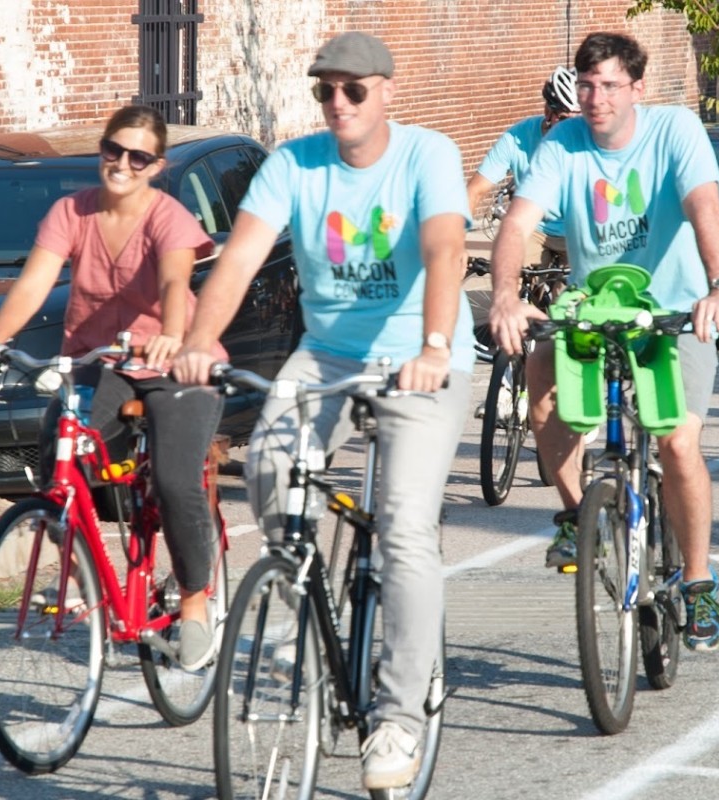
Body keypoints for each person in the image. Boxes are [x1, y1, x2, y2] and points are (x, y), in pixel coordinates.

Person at [169, 31, 472, 791]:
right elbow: (238, 258)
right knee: (270, 467)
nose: (337, 103)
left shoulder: (425, 156)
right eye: (325, 90)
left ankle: (400, 718)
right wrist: (200, 340)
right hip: (329, 354)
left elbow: (444, 250)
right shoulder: (294, 165)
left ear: (386, 92)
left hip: (420, 358)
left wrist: (434, 345)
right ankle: (296, 589)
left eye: (353, 90)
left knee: (403, 527)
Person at [486, 31, 719, 652]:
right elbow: (518, 222)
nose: (596, 98)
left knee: (677, 442)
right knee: (537, 371)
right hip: (592, 311)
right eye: (588, 85)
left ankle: (698, 582)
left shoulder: (675, 130)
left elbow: (704, 205)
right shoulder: (562, 144)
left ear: (637, 88)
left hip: (674, 309)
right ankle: (577, 514)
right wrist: (505, 295)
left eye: (610, 85)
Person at [0, 104, 225, 670]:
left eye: (138, 157)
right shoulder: (70, 211)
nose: (122, 164)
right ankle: (87, 573)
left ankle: (196, 605)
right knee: (58, 454)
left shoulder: (168, 217)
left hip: (172, 363)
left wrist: (174, 336)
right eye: (113, 150)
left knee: (178, 483)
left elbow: (177, 279)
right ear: (102, 151)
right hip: (97, 360)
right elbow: (34, 282)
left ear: (155, 166)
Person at [467, 66, 578, 268]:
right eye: (561, 118)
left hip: (576, 232)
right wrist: (454, 243)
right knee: (510, 273)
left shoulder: (592, 142)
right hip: (532, 228)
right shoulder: (517, 136)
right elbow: (475, 190)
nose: (569, 128)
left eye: (577, 120)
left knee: (573, 297)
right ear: (548, 112)